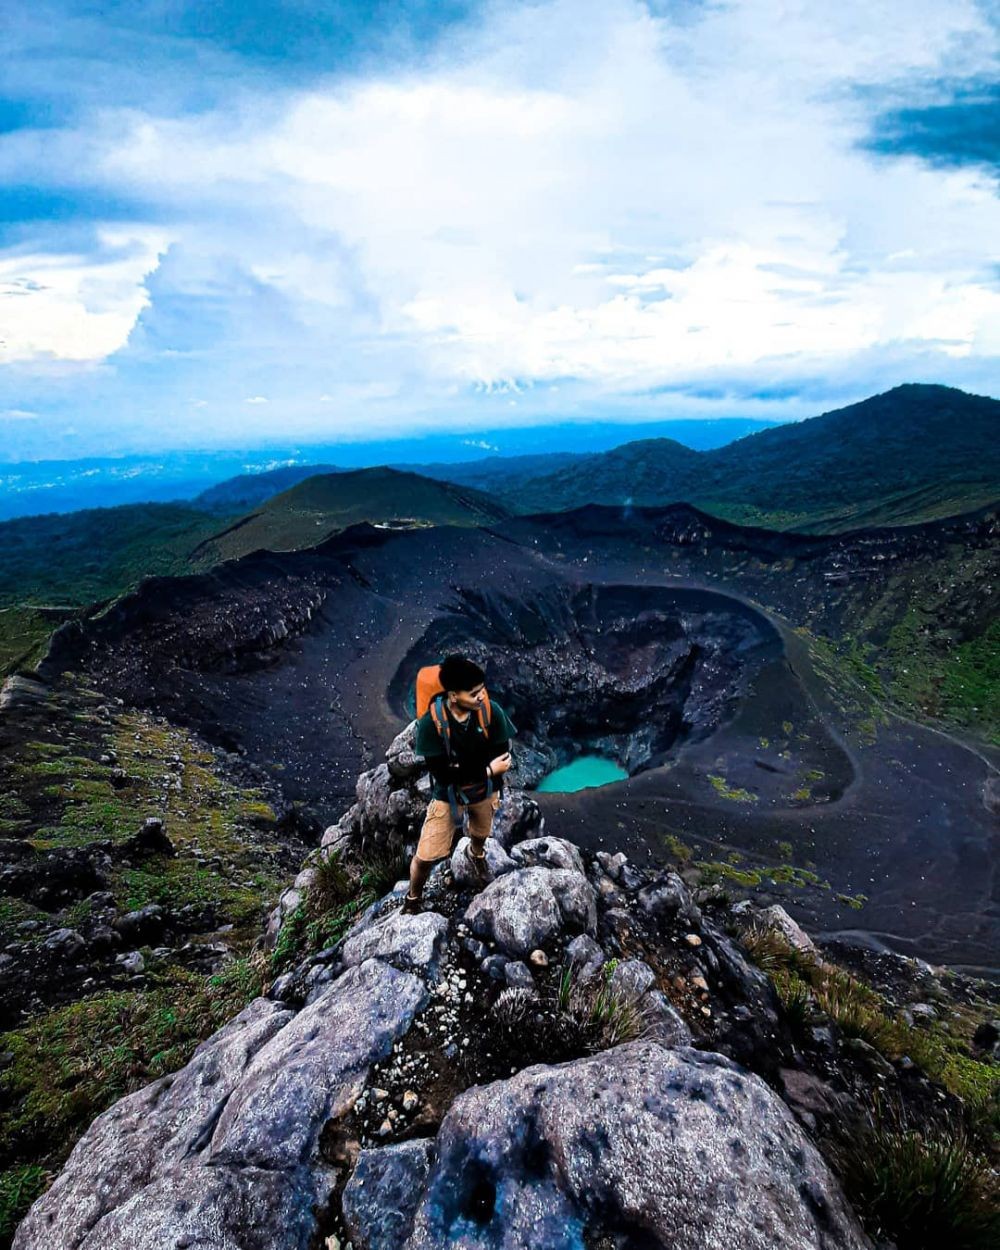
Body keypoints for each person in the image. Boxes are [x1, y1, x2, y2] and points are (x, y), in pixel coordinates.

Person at [402, 654, 516, 914]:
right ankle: (413, 898)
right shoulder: (432, 724)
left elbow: (503, 755)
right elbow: (443, 774)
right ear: (453, 695)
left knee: (480, 833)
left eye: (482, 689)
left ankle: (476, 856)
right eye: (474, 693)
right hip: (447, 795)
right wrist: (487, 769)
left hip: (483, 792)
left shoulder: (490, 711)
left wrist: (472, 772)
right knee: (425, 855)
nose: (481, 696)